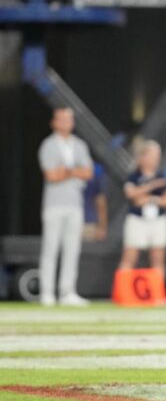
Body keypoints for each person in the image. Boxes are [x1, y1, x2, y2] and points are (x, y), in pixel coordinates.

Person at [37, 107, 93, 307]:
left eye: (69, 119)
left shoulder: (79, 145)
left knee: (72, 249)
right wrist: (74, 171)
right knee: (51, 248)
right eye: (61, 119)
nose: (65, 123)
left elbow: (88, 172)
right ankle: (47, 292)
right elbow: (51, 175)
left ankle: (67, 291)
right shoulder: (48, 145)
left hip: (74, 204)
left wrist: (66, 171)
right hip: (54, 204)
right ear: (54, 122)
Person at [118, 140, 166, 284]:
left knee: (158, 258)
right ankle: (124, 292)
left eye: (157, 156)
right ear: (143, 157)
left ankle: (158, 295)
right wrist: (152, 186)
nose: (155, 159)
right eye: (151, 155)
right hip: (137, 219)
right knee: (130, 257)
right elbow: (131, 195)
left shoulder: (163, 177)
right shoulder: (134, 177)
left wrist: (150, 199)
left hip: (158, 219)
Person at [82, 162, 108, 242]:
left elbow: (100, 201)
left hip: (88, 225)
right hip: (66, 224)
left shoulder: (94, 174)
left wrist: (102, 227)